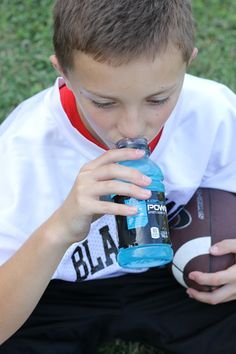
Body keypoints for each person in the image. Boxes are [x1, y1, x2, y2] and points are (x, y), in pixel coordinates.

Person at [0, 0, 236, 353]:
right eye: (104, 103)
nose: (132, 126)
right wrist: (60, 228)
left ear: (188, 62)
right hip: (56, 292)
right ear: (63, 71)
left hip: (169, 276)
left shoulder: (213, 110)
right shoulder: (21, 150)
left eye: (158, 99)